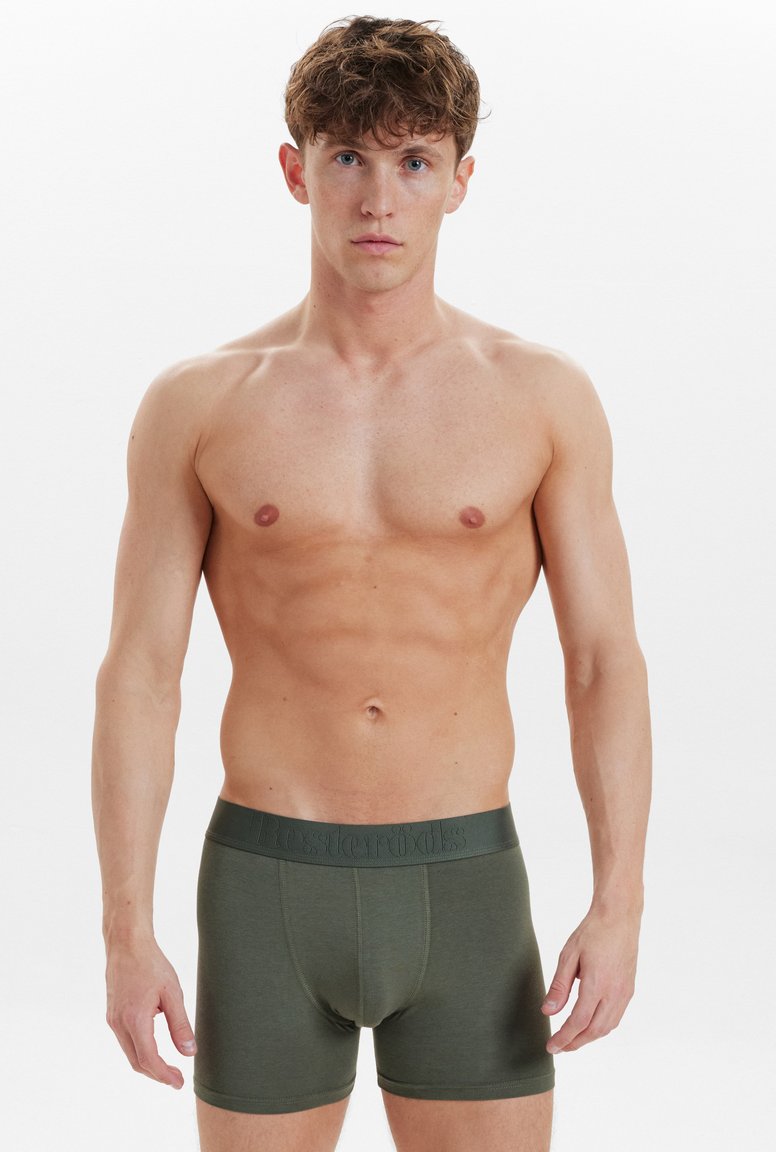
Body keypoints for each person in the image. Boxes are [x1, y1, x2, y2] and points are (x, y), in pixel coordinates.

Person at [91, 15, 652, 1152]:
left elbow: (601, 661)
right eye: (347, 156)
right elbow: (142, 673)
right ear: (295, 169)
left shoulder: (541, 399)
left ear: (460, 182)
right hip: (264, 882)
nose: (378, 199)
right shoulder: (199, 404)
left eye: (414, 161)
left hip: (465, 883)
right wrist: (124, 930)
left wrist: (619, 902)